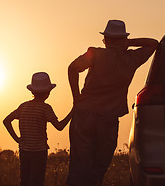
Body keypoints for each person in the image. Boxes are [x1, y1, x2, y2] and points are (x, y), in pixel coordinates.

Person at [66, 20, 159, 186]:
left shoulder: (95, 54)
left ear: (106, 39)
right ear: (122, 39)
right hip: (108, 119)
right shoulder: (131, 58)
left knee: (79, 166)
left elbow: (72, 68)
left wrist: (76, 97)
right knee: (98, 168)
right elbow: (153, 44)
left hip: (84, 116)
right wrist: (129, 43)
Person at [4, 72, 72, 186]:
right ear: (48, 92)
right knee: (37, 181)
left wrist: (17, 139)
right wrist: (72, 112)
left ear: (32, 91)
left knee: (24, 181)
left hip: (24, 150)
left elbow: (6, 121)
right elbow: (59, 127)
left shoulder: (23, 106)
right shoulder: (46, 108)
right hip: (39, 152)